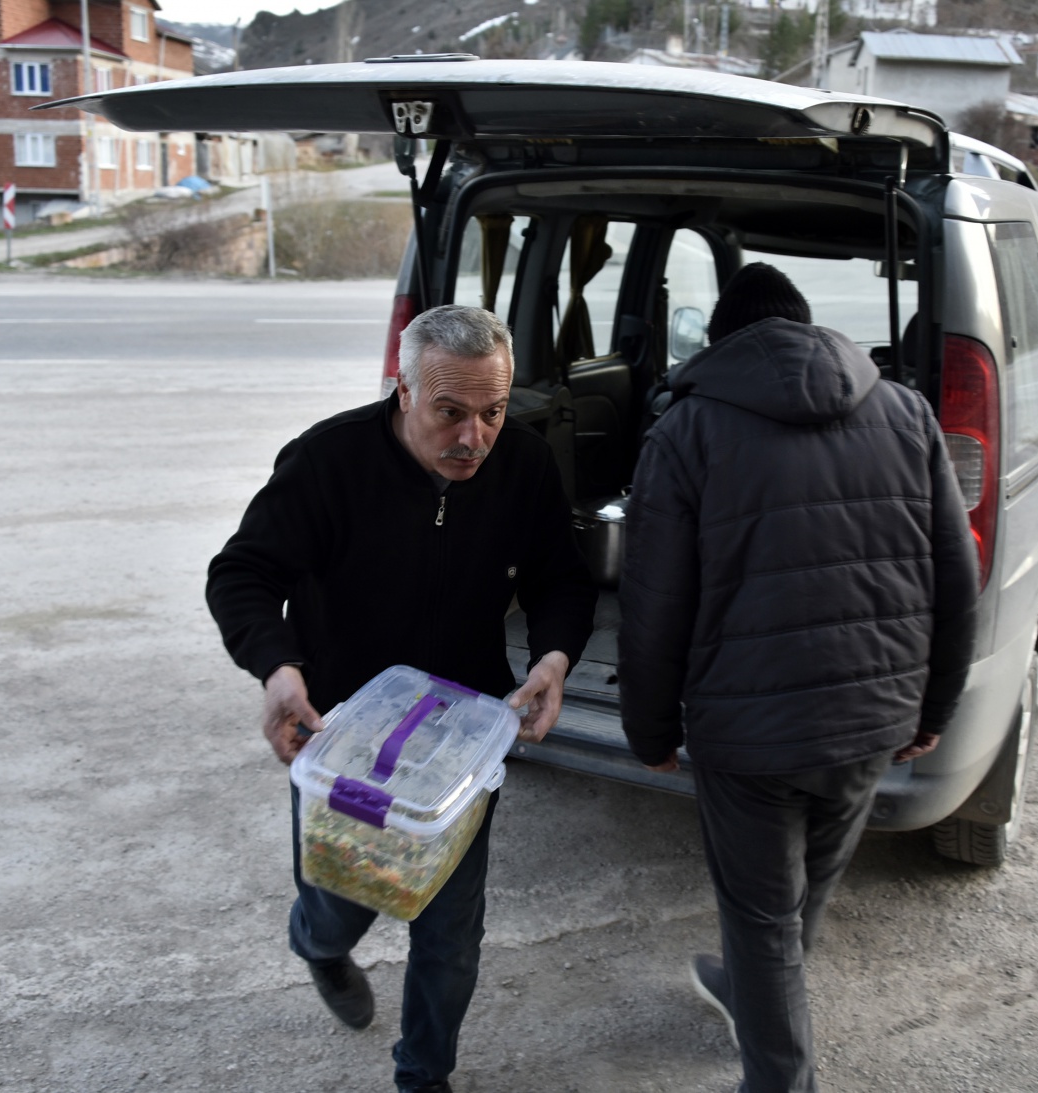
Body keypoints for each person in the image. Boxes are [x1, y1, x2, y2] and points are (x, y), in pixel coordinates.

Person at [205, 304, 596, 1093]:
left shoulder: (522, 465)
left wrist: (553, 659)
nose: (473, 438)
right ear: (403, 391)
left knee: (450, 933)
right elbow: (242, 574)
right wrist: (280, 670)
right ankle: (317, 941)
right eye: (450, 412)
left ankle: (424, 1076)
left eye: (492, 412)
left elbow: (563, 577)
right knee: (345, 899)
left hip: (461, 739)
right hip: (343, 729)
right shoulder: (327, 462)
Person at [617, 263, 979, 1093]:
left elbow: (654, 602)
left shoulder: (688, 430)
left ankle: (780, 1074)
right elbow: (958, 581)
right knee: (801, 892)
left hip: (749, 735)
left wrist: (649, 730)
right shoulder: (907, 412)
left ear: (723, 346)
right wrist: (935, 706)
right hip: (872, 716)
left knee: (762, 915)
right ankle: (748, 990)